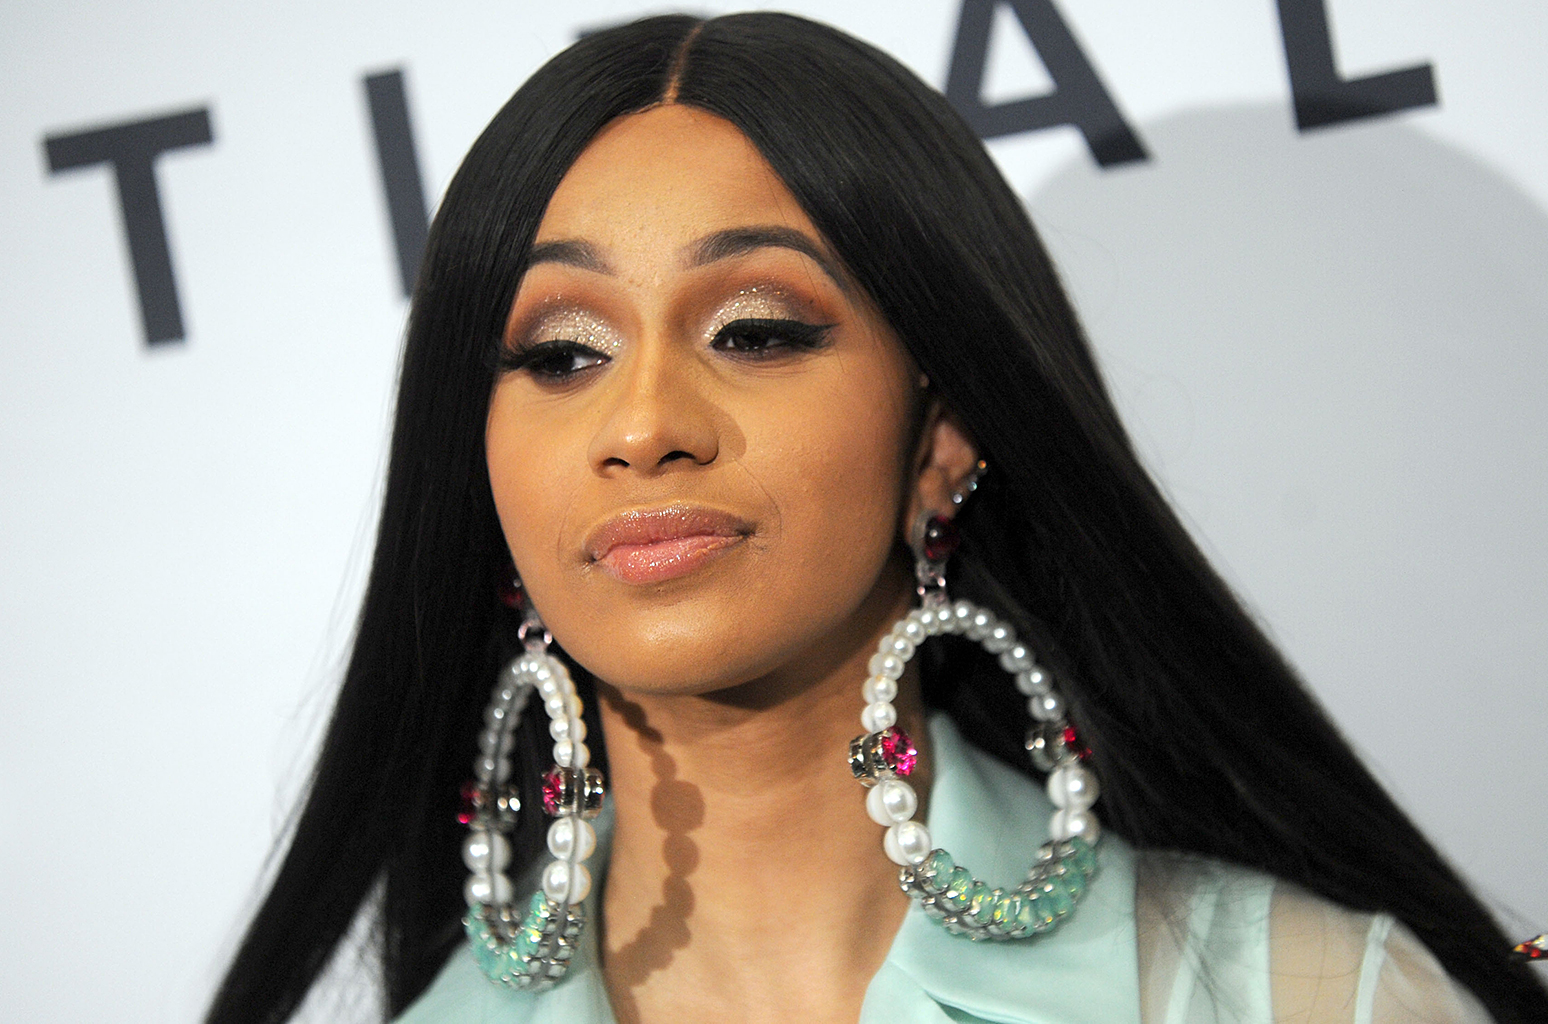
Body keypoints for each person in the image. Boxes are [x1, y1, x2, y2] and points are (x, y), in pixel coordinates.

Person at [205, 12, 1547, 1024]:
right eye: (562, 354)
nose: (642, 423)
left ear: (941, 436)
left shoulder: (1306, 995)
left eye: (756, 330)